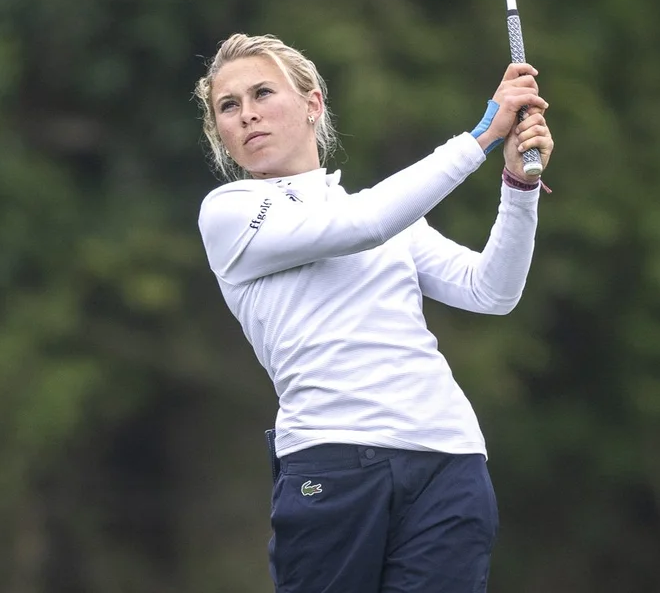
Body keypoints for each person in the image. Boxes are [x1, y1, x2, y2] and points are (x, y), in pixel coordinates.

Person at [193, 33, 554, 593]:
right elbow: (363, 226)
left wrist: (518, 186)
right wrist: (483, 134)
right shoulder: (230, 213)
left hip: (448, 458)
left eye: (262, 93)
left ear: (312, 104)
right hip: (331, 461)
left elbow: (491, 291)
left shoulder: (384, 213)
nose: (247, 114)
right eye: (228, 106)